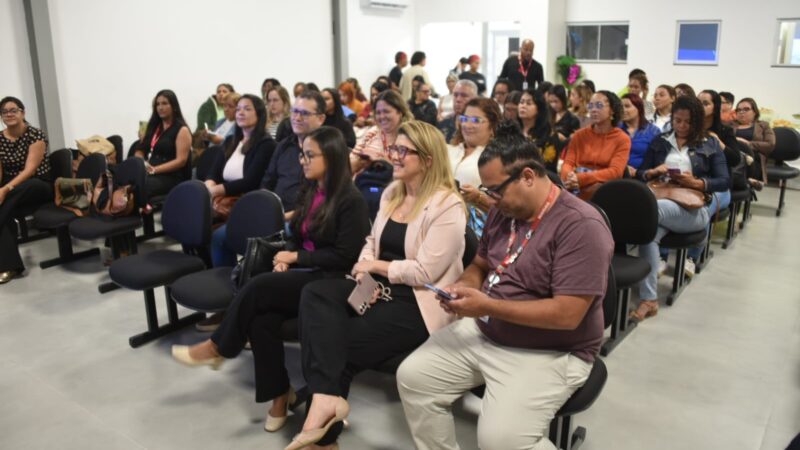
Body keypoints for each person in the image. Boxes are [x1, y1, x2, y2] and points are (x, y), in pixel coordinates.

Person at [396, 125, 614, 450]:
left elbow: (567, 315)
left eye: (496, 190)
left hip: (552, 350)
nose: (491, 199)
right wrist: (463, 287)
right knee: (414, 378)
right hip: (488, 330)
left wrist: (485, 306)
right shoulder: (505, 211)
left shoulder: (581, 226)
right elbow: (481, 264)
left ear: (528, 176)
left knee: (500, 441)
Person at [172, 126, 371, 434]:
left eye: (309, 155)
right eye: (302, 154)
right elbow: (299, 237)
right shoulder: (311, 190)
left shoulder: (351, 200)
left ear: (331, 157)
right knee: (261, 318)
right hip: (304, 274)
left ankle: (219, 347)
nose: (302, 160)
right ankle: (279, 395)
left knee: (258, 287)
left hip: (332, 282)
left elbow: (347, 257)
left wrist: (297, 259)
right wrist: (284, 258)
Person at [287, 121, 467, 450]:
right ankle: (325, 403)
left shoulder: (448, 206)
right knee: (314, 294)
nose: (394, 156)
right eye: (394, 148)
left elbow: (425, 272)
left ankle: (322, 434)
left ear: (427, 159)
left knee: (338, 341)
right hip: (375, 288)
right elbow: (372, 239)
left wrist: (376, 265)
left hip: (417, 303)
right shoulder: (392, 194)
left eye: (403, 151)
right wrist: (365, 265)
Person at [632, 95, 729, 320]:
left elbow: (724, 181)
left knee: (650, 214)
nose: (682, 126)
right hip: (662, 201)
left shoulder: (709, 143)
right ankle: (649, 299)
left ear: (696, 122)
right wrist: (653, 172)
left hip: (693, 209)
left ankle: (629, 253)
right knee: (649, 234)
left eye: (687, 122)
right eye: (677, 120)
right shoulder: (661, 140)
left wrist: (698, 183)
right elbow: (641, 173)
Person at [0, 96, 52, 284]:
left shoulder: (35, 135)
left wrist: (5, 189)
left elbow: (30, 170)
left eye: (13, 110)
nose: (9, 114)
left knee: (28, 185)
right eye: (4, 112)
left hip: (37, 185)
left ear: (22, 113)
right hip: (11, 190)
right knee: (3, 212)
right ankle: (10, 267)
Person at [261, 91, 326, 214]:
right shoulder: (284, 146)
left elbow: (325, 198)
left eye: (305, 113)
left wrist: (287, 217)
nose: (297, 118)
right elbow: (267, 182)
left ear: (320, 119)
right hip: (274, 213)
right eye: (295, 111)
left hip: (305, 218)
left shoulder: (327, 149)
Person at [204, 95, 275, 203]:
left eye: (247, 109)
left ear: (259, 114)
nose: (240, 113)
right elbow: (213, 173)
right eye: (238, 109)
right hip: (220, 195)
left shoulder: (266, 144)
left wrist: (215, 191)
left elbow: (250, 182)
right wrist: (208, 188)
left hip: (245, 199)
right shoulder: (230, 141)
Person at [561, 91, 631, 200]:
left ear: (612, 110)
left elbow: (615, 172)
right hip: (574, 183)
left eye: (599, 105)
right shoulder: (579, 135)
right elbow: (568, 163)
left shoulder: (622, 139)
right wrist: (569, 177)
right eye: (591, 105)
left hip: (603, 189)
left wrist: (582, 179)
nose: (593, 110)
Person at [449, 98, 502, 237]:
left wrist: (478, 197)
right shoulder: (449, 149)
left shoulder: (498, 157)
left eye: (475, 120)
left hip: (476, 229)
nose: (467, 125)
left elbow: (504, 205)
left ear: (492, 127)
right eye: (464, 118)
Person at [134, 89, 192, 198]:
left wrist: (154, 170)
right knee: (124, 179)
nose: (160, 107)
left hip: (170, 177)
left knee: (140, 186)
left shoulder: (182, 129)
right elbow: (140, 150)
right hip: (150, 172)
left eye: (165, 103)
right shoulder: (154, 127)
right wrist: (142, 163)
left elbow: (181, 161)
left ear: (174, 106)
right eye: (158, 104)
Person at [350, 90, 413, 177]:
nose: (381, 117)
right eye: (378, 113)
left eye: (386, 111)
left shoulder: (411, 137)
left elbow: (412, 173)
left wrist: (384, 162)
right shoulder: (373, 132)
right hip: (364, 183)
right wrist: (357, 164)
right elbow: (352, 160)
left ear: (400, 112)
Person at [734, 97, 774, 189]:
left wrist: (748, 144)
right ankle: (747, 181)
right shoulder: (730, 125)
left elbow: (770, 144)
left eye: (746, 109)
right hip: (733, 157)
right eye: (739, 110)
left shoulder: (763, 125)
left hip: (752, 161)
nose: (741, 112)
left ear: (755, 112)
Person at [517, 89, 559, 171]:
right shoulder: (513, 130)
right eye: (521, 102)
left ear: (539, 109)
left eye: (528, 103)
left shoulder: (549, 133)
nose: (523, 106)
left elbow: (549, 166)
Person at [620, 93, 661, 174]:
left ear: (639, 108)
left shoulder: (653, 131)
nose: (623, 110)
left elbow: (658, 160)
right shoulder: (616, 130)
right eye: (621, 107)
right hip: (619, 174)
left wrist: (639, 172)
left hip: (644, 176)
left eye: (627, 106)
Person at [437, 79, 478, 144]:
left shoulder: (478, 127)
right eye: (455, 95)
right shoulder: (443, 124)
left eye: (464, 96)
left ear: (475, 99)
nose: (458, 100)